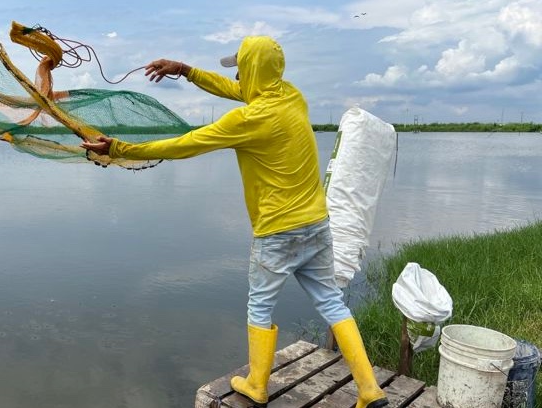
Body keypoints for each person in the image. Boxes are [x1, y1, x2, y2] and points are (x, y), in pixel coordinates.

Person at [81, 36, 387, 408]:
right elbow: (234, 89)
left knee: (260, 306)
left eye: (241, 68)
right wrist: (185, 70)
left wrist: (119, 149)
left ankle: (257, 384)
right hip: (317, 224)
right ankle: (370, 389)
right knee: (332, 303)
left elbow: (186, 144)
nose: (238, 77)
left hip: (277, 230)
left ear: (252, 70)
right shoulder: (293, 96)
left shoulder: (247, 120)